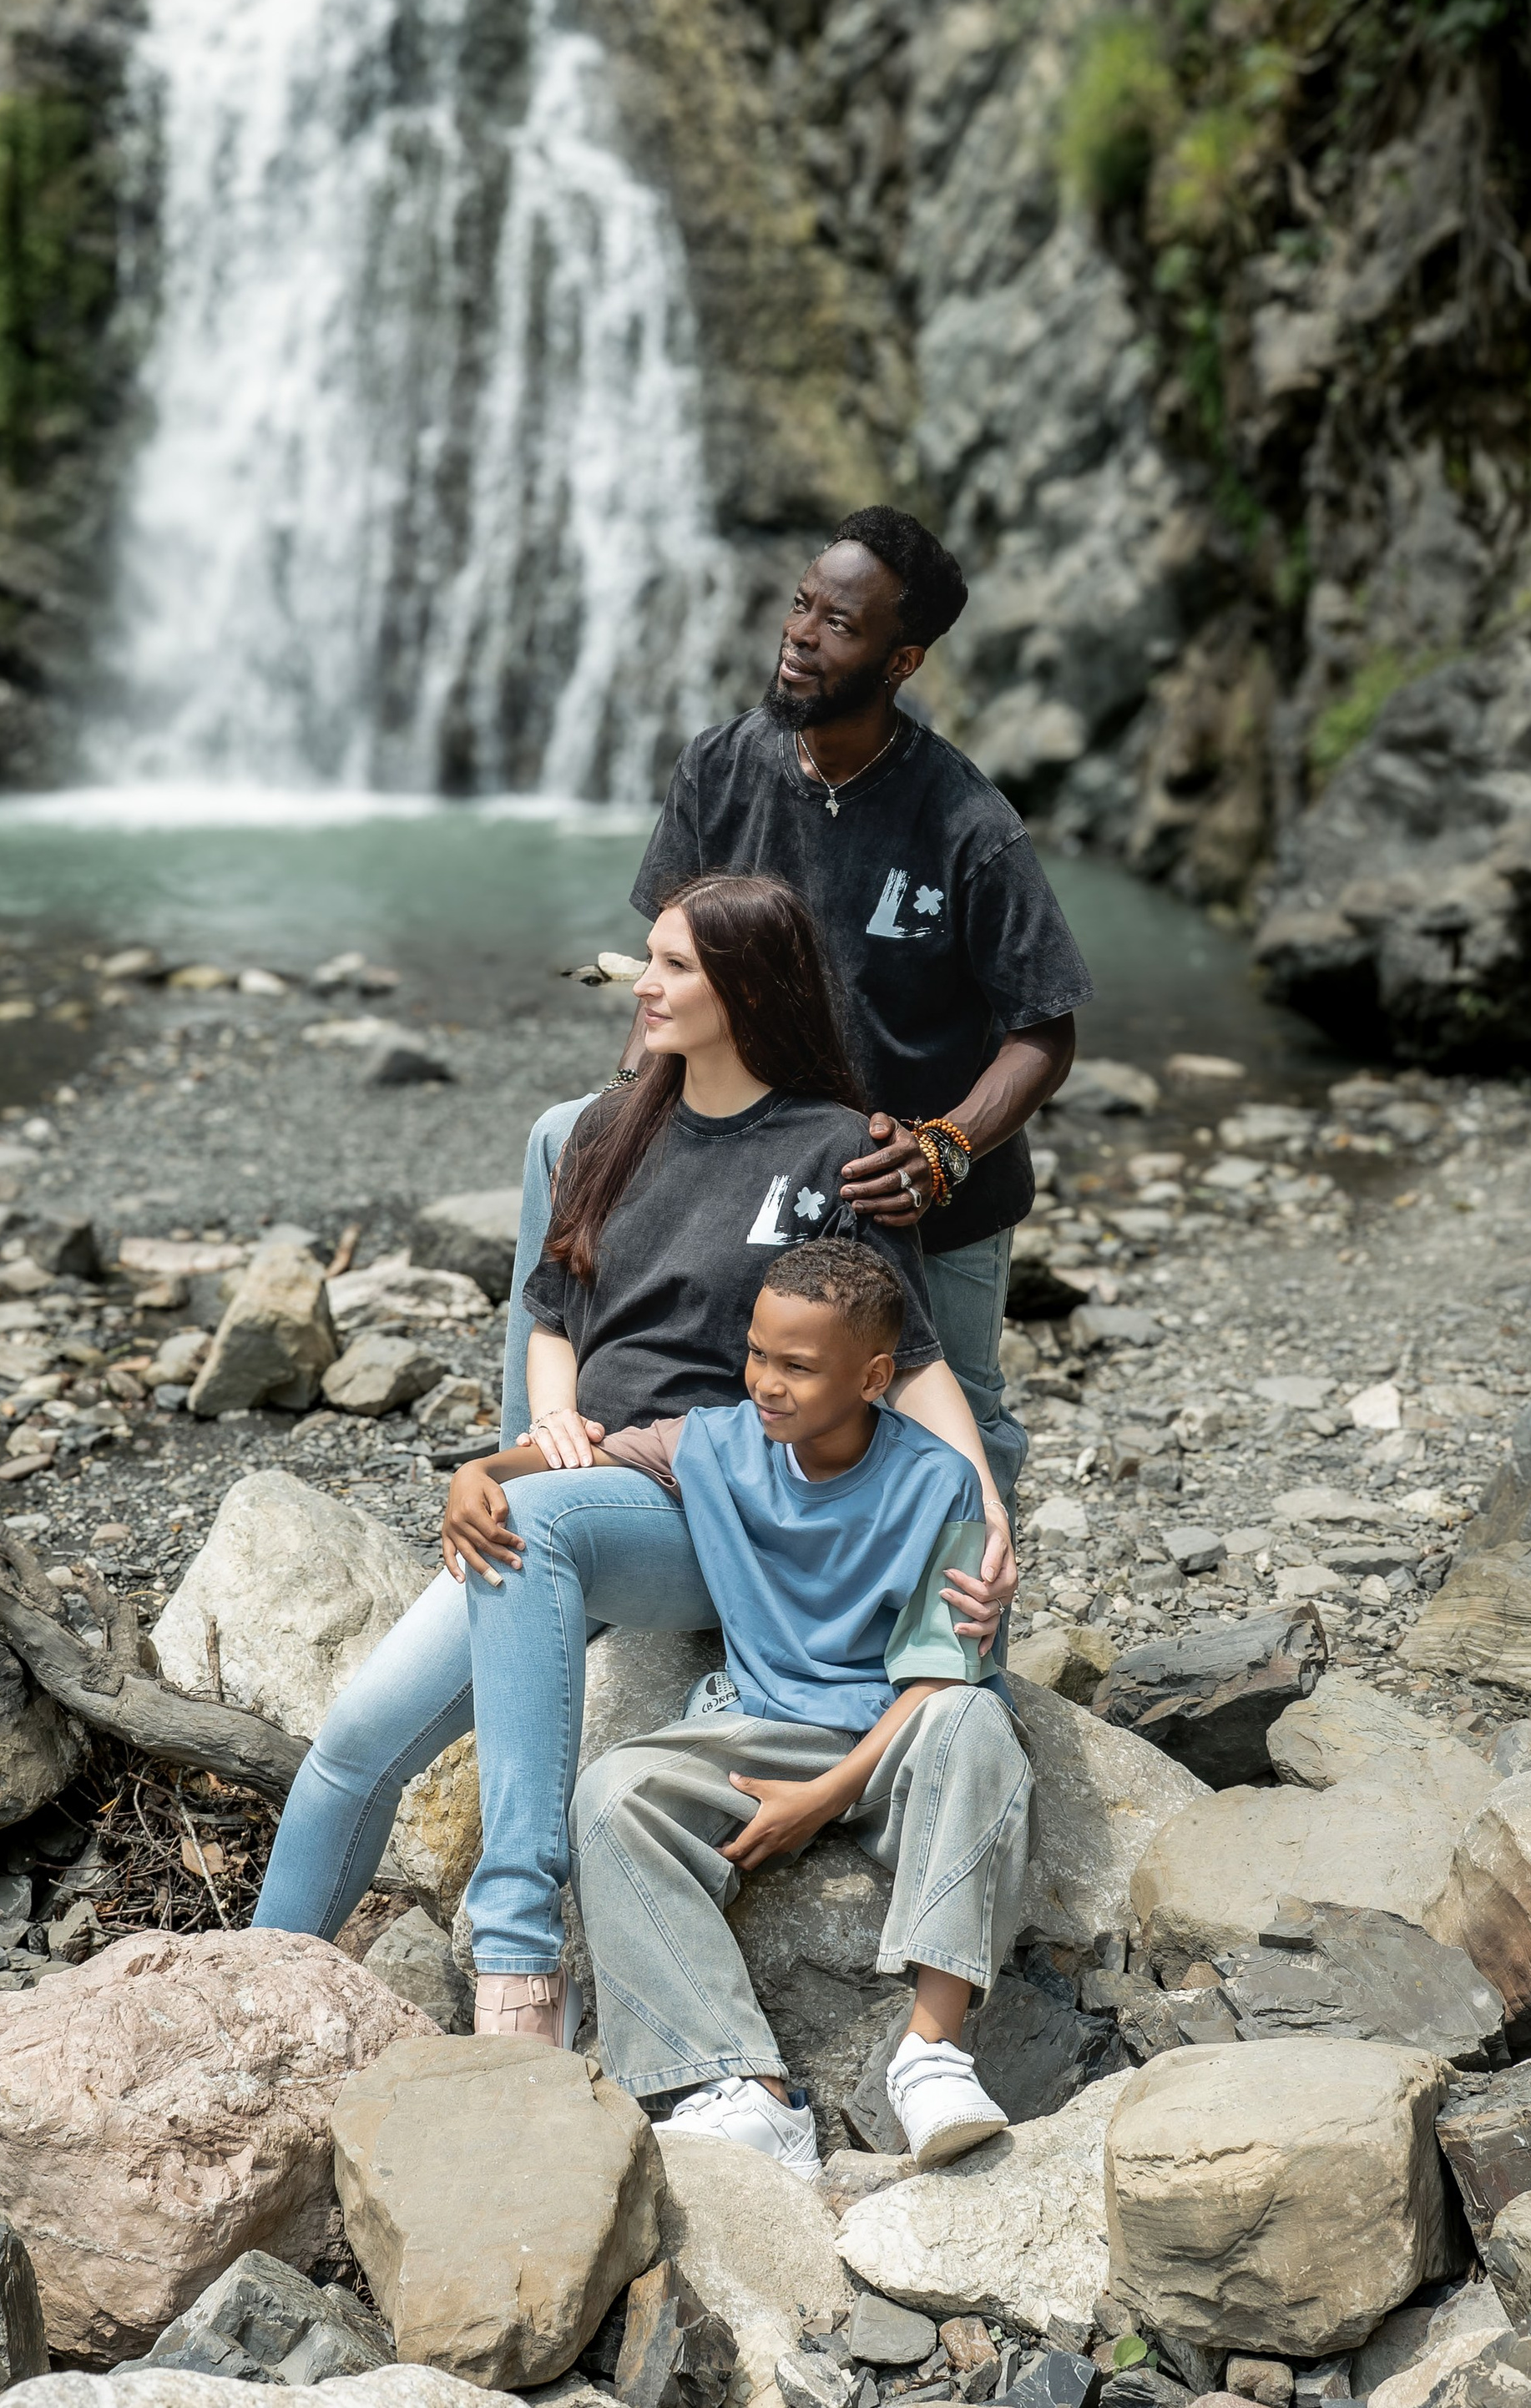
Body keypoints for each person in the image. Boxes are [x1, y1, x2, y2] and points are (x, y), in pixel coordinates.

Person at [252, 872, 1008, 1953]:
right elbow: (553, 1306)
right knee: (349, 1748)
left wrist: (988, 1512)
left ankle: (518, 1950)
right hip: (580, 1482)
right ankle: (249, 1985)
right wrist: (547, 1423)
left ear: (747, 988)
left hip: (714, 1501)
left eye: (672, 966)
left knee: (532, 1528)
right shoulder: (606, 1126)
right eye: (647, 958)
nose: (638, 984)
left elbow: (914, 1358)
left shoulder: (837, 1150)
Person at [503, 506, 1094, 1522]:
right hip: (750, 1158)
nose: (802, 633)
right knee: (584, 1168)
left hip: (911, 1186)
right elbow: (666, 974)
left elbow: (1043, 1026)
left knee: (947, 1425)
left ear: (901, 657)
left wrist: (946, 1146)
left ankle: (963, 1649)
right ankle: (540, 1478)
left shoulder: (968, 825)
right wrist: (632, 1111)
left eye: (840, 623)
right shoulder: (719, 771)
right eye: (801, 604)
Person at [454, 1238, 1030, 2175]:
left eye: (798, 1365)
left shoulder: (941, 1480)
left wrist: (826, 1795)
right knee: (612, 1790)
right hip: (766, 1723)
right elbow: (588, 1451)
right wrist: (483, 1471)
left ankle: (932, 2057)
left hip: (901, 1728)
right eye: (758, 1352)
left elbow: (939, 1672)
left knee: (976, 1723)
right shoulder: (712, 1440)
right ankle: (746, 2092)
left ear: (874, 1376)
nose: (767, 1381)